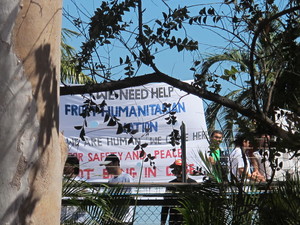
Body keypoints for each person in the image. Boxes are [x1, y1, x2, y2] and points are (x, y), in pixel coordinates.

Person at [100, 154, 134, 225]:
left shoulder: (127, 177)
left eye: (108, 165)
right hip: (114, 218)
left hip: (125, 217)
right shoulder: (111, 180)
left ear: (116, 163)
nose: (106, 167)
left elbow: (130, 197)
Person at [161, 159, 197, 225]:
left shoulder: (193, 183)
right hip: (174, 219)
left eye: (178, 168)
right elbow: (165, 204)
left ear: (184, 169)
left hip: (189, 218)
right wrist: (163, 221)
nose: (176, 170)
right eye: (175, 168)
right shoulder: (171, 184)